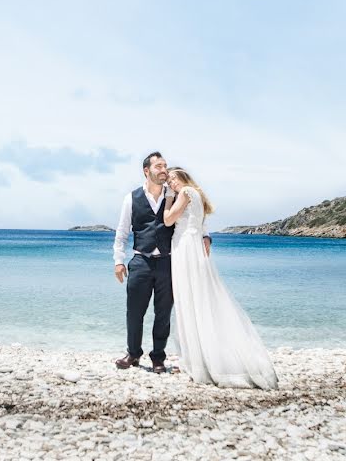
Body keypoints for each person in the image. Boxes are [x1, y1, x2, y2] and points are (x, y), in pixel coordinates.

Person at [164, 167, 278, 389]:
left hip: (186, 248)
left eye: (173, 179)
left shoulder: (185, 192)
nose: (171, 184)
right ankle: (201, 355)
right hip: (191, 246)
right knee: (198, 296)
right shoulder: (196, 194)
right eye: (169, 181)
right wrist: (206, 236)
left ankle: (201, 360)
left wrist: (169, 198)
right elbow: (200, 226)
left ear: (183, 178)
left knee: (190, 297)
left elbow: (168, 220)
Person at [112, 152, 211, 373]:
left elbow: (197, 216)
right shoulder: (131, 198)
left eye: (165, 165)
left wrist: (206, 236)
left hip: (168, 262)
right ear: (147, 171)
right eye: (158, 166)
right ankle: (133, 354)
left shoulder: (175, 195)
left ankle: (158, 357)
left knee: (163, 312)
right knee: (134, 311)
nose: (164, 169)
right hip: (140, 261)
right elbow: (122, 233)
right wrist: (119, 261)